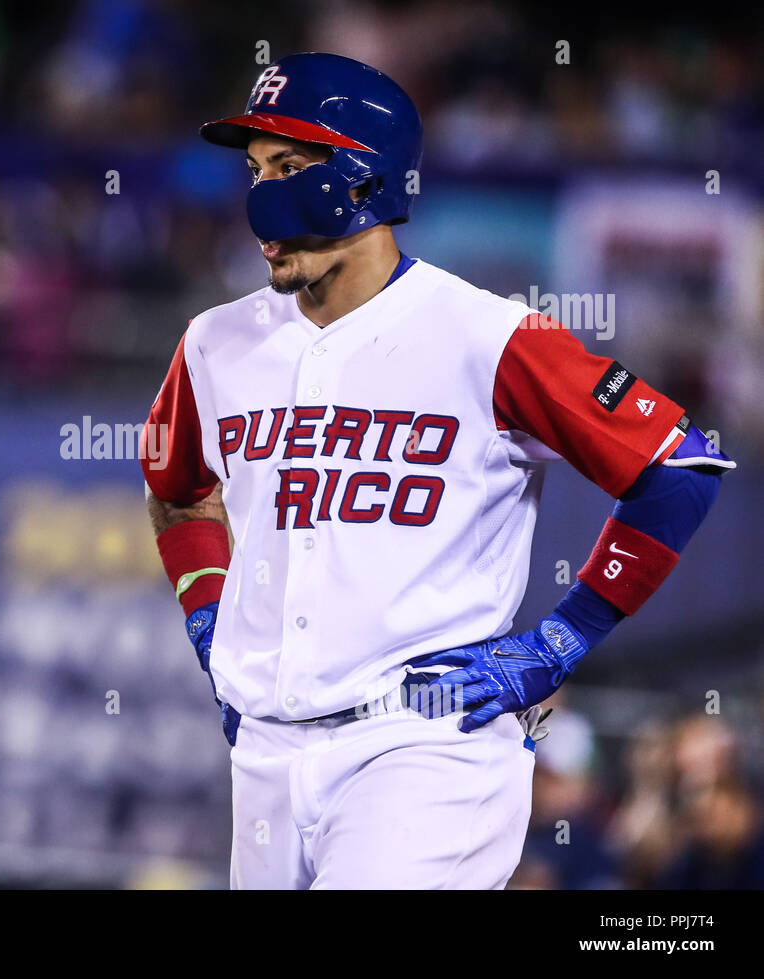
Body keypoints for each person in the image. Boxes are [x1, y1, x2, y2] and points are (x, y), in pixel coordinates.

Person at [139, 53, 734, 889]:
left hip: (425, 746)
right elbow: (178, 489)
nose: (261, 194)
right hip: (266, 755)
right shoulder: (214, 343)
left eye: (289, 167)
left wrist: (560, 641)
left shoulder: (487, 336)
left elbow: (681, 464)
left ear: (365, 179)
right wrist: (208, 617)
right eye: (254, 169)